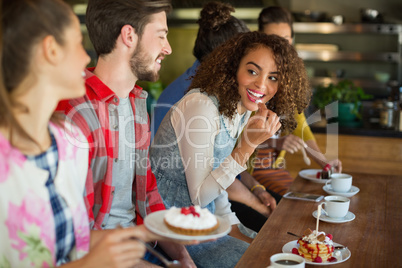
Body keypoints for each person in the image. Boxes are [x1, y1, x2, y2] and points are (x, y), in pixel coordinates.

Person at [0, 0, 166, 266]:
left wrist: (159, 233)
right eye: (78, 42)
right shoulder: (70, 127)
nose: (87, 57)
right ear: (51, 50)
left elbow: (77, 241)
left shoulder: (64, 141)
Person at [56, 0, 195, 267]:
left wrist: (182, 257)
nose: (168, 48)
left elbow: (148, 193)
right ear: (129, 35)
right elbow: (77, 239)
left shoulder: (136, 102)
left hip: (141, 248)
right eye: (161, 36)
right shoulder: (75, 114)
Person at [150, 31, 311, 245]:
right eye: (252, 71)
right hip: (173, 229)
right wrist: (247, 147)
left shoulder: (240, 108)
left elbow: (217, 181)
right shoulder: (202, 107)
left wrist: (233, 226)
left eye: (273, 77)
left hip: (205, 221)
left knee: (275, 248)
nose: (261, 85)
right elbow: (199, 197)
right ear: (234, 67)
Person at [152, 1, 277, 234]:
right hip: (180, 221)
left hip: (212, 208)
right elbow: (198, 188)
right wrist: (253, 201)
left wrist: (256, 188)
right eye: (250, 67)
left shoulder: (231, 98)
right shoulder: (194, 101)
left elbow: (221, 170)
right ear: (227, 61)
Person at [253, 6, 342, 196]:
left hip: (273, 166)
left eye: (284, 40)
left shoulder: (289, 77)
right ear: (259, 38)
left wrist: (323, 162)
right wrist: (275, 142)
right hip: (248, 168)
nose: (280, 47)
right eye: (272, 39)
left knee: (309, 199)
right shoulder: (251, 75)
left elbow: (300, 125)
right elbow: (237, 135)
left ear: (291, 40)